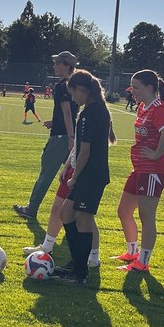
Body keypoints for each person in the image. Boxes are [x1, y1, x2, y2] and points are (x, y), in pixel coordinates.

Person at [49, 70, 116, 284]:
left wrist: (74, 177)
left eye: (73, 93)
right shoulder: (94, 110)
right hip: (88, 174)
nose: (73, 98)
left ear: (82, 90)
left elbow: (85, 151)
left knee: (83, 219)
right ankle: (77, 262)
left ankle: (80, 274)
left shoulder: (90, 113)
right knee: (66, 213)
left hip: (91, 175)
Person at [112, 69, 164, 272]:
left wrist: (156, 154)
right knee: (124, 211)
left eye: (136, 87)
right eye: (132, 87)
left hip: (153, 171)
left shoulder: (159, 108)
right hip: (139, 169)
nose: (132, 91)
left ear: (149, 87)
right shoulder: (142, 107)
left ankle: (143, 262)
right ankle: (132, 252)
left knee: (146, 217)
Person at [13, 51, 78, 220]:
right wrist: (56, 123)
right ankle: (78, 211)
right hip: (70, 135)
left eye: (57, 63)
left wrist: (70, 138)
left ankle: (31, 209)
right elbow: (70, 113)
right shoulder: (76, 84)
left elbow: (67, 113)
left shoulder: (62, 86)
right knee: (74, 176)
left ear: (67, 66)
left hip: (61, 138)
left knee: (46, 174)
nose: (54, 66)